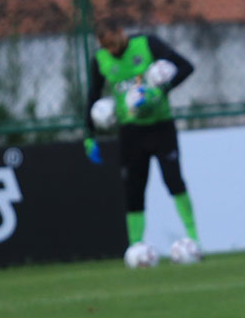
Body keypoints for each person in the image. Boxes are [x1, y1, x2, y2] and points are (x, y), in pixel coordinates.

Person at [84, 17, 200, 253]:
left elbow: (186, 67)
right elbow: (93, 95)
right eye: (106, 47)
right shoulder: (100, 60)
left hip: (161, 126)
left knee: (173, 181)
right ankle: (136, 246)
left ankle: (193, 239)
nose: (112, 50)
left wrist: (159, 90)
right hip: (130, 132)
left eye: (114, 44)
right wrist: (89, 135)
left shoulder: (148, 44)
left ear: (121, 31)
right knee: (134, 189)